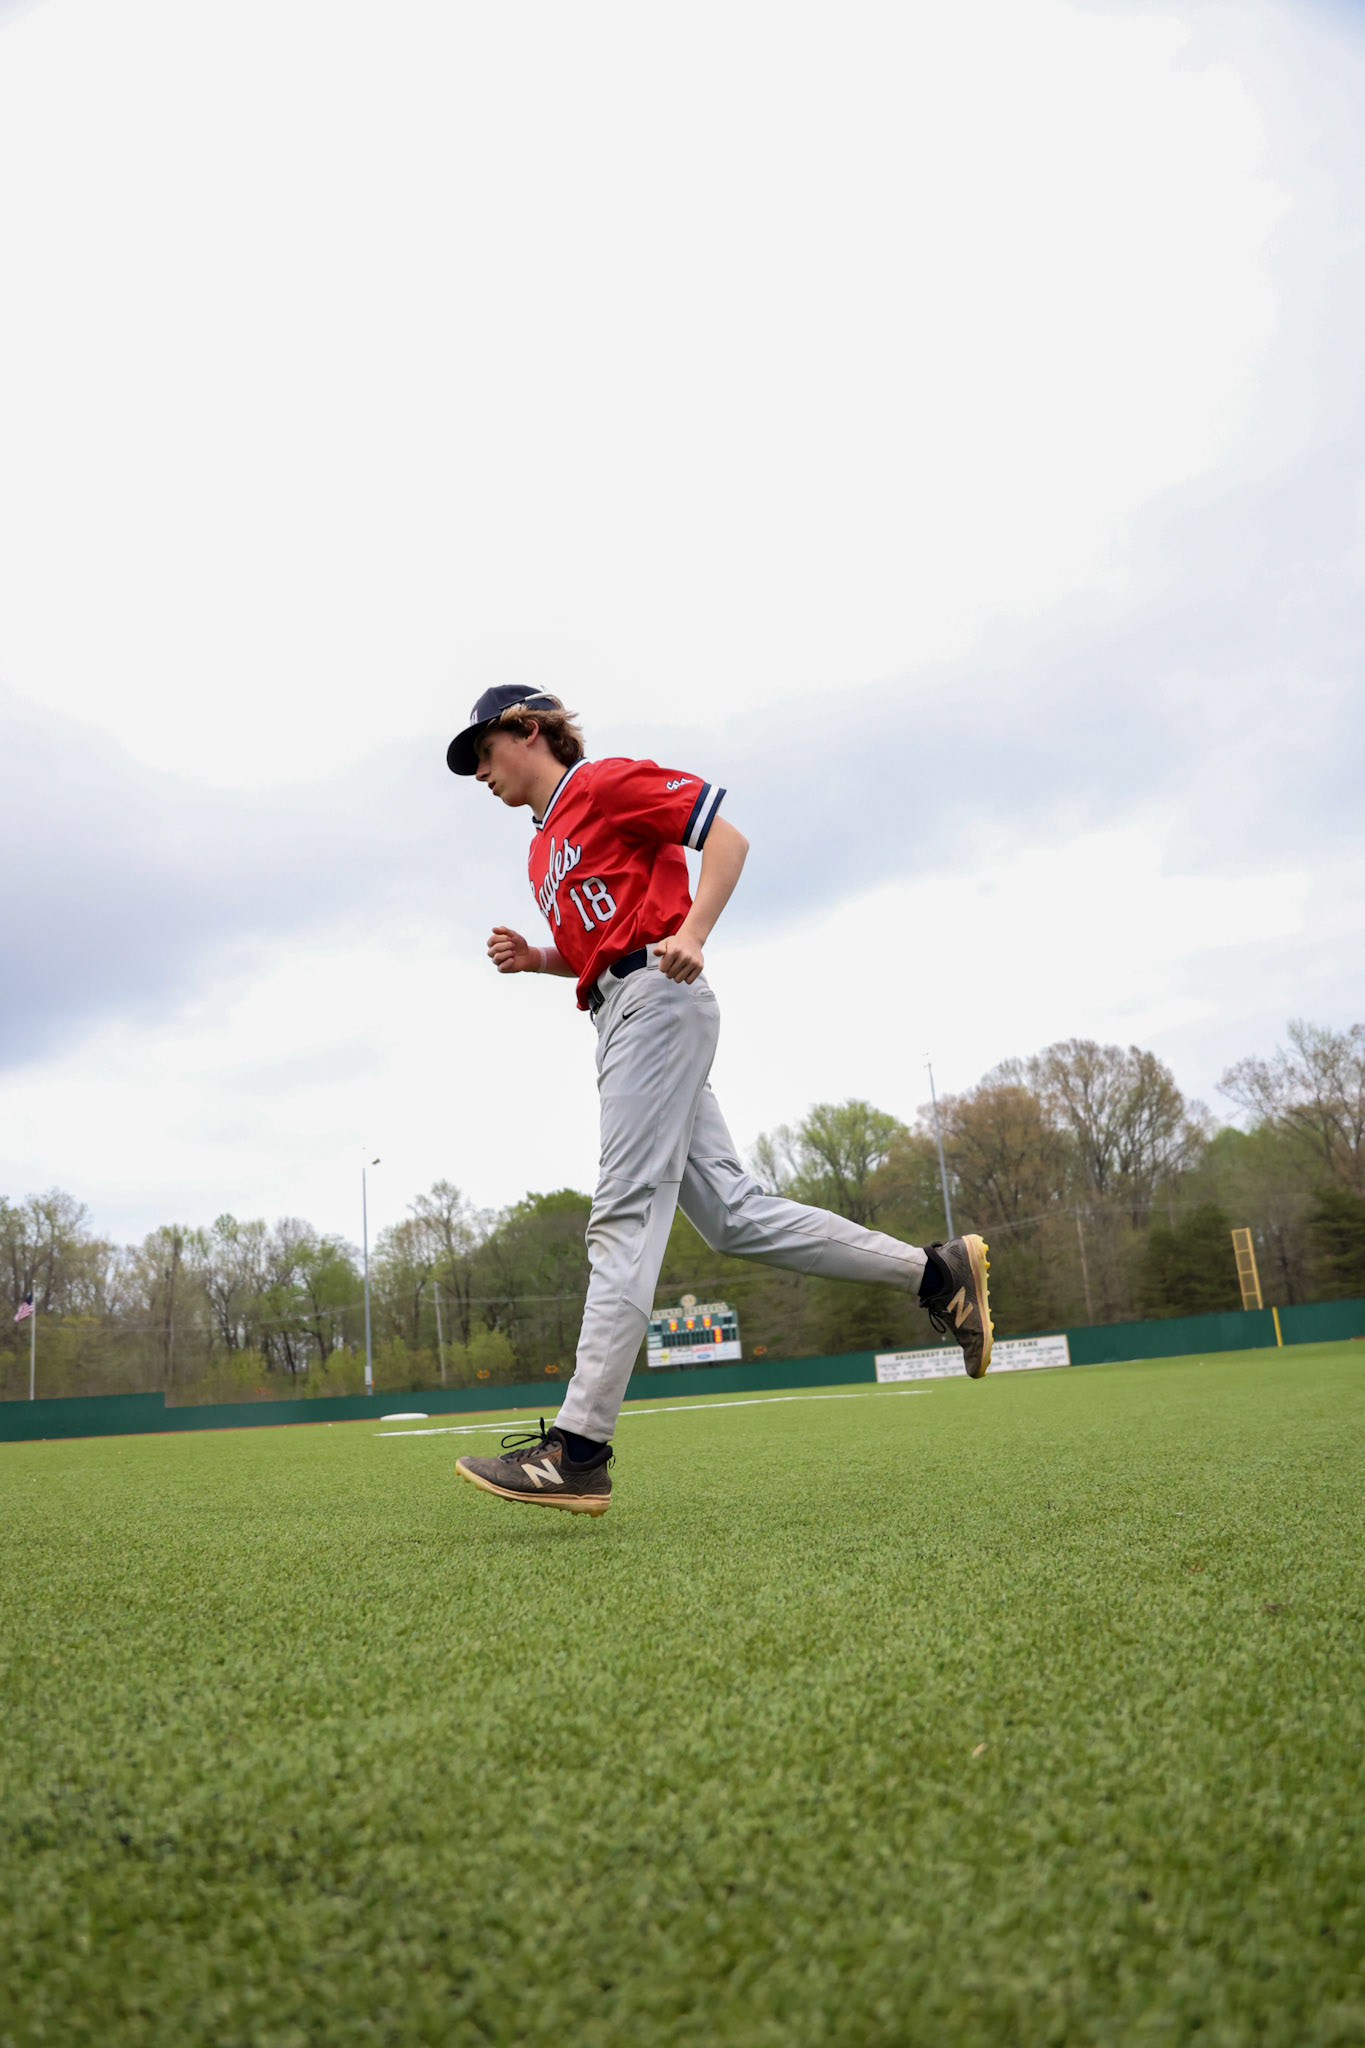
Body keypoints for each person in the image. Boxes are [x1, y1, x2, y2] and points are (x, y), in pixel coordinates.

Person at [445, 686, 992, 1516]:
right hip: (620, 1008)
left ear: (525, 730)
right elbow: (606, 937)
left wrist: (695, 933)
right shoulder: (540, 846)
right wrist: (540, 957)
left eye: (482, 750)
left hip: (657, 1001)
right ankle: (933, 1271)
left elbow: (725, 838)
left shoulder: (602, 784)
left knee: (623, 1216)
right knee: (733, 1214)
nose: (477, 771)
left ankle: (579, 1447)